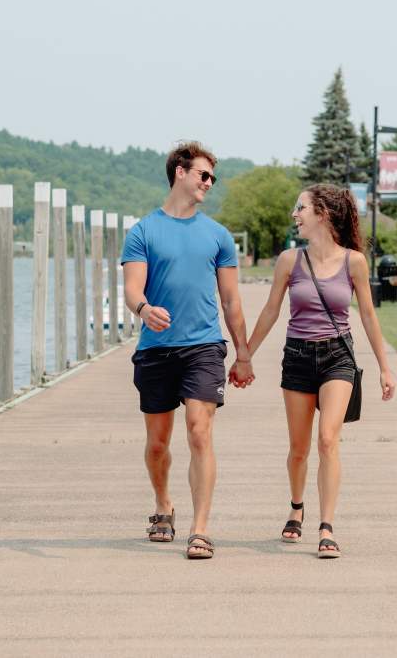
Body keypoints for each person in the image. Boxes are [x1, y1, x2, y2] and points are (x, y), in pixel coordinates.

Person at [239, 184, 395, 559]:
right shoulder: (289, 260)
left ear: (322, 213)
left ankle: (326, 527)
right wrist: (245, 355)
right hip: (296, 357)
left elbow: (369, 317)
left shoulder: (353, 261)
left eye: (301, 208)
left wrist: (385, 369)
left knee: (328, 440)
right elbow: (271, 311)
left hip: (337, 358)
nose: (295, 214)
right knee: (298, 448)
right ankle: (297, 506)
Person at [122, 141, 254, 560]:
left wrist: (243, 352)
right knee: (158, 444)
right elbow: (131, 289)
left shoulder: (217, 236)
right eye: (203, 174)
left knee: (199, 430)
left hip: (203, 347)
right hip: (156, 349)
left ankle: (201, 528)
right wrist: (144, 309)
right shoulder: (143, 231)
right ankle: (163, 504)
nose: (208, 183)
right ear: (180, 172)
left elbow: (231, 301)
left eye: (212, 177)